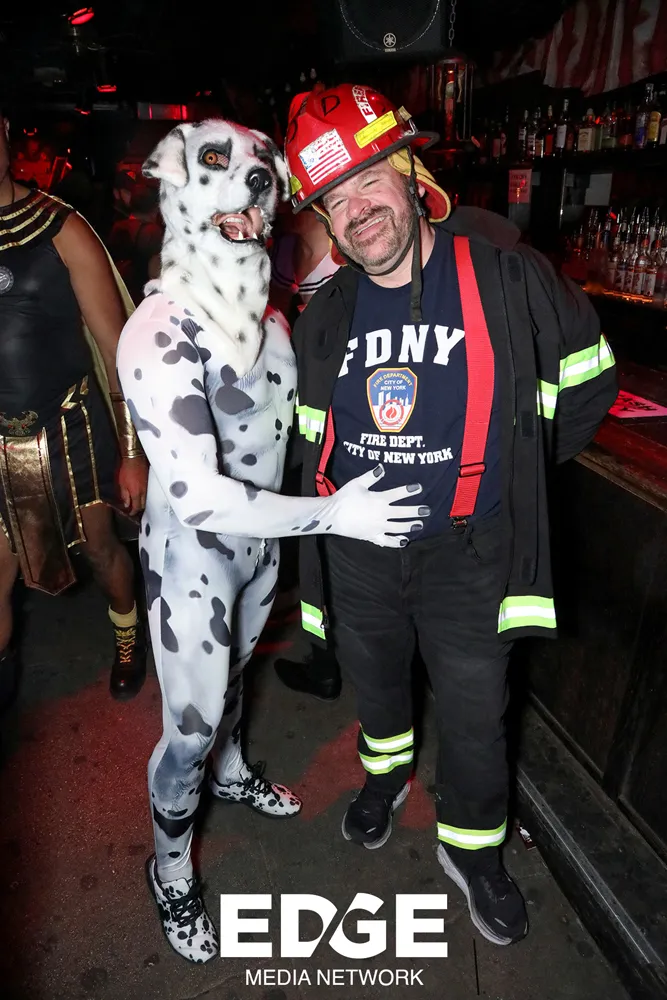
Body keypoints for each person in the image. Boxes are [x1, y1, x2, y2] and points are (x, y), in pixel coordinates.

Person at [284, 84, 617, 946]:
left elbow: (588, 381)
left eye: (368, 181)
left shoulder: (506, 277)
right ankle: (384, 778)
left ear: (409, 173)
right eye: (334, 199)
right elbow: (311, 441)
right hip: (361, 553)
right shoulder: (326, 313)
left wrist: (516, 468)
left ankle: (472, 850)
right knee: (377, 686)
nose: (357, 211)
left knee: (474, 717)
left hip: (468, 552)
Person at [116, 118, 425, 962]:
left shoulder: (271, 316)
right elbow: (199, 494)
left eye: (261, 169)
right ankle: (169, 869)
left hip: (261, 548)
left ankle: (232, 770)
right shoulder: (157, 331)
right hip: (193, 556)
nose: (249, 180)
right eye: (217, 163)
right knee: (188, 728)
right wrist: (333, 516)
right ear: (172, 180)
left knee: (236, 681)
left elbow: (375, 258)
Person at [0, 107, 148, 707]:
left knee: (101, 548)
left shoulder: (62, 228)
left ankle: (128, 638)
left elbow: (118, 350)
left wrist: (132, 454)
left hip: (74, 432)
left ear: (4, 131)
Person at [268, 205, 343, 700]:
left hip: (350, 415)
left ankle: (338, 660)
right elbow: (272, 316)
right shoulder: (283, 248)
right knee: (314, 541)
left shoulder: (348, 245)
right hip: (304, 416)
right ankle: (324, 661)